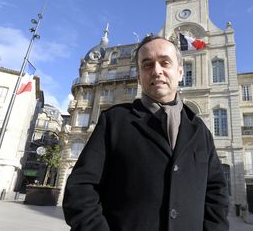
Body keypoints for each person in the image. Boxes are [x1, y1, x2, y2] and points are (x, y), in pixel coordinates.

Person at [63, 35, 229, 231]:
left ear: (180, 72)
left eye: (165, 63)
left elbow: (216, 192)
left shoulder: (199, 129)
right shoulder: (114, 121)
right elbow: (80, 188)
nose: (157, 71)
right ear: (139, 76)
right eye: (147, 65)